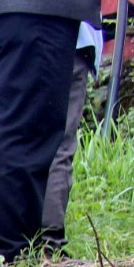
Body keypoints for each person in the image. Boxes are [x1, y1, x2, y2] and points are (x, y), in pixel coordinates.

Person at [0, 0, 101, 267]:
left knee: (0, 133)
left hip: (9, 11)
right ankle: (13, 262)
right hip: (37, 7)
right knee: (25, 135)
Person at [38, 21, 103, 251]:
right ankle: (50, 240)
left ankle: (19, 239)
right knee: (60, 145)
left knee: (22, 140)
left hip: (30, 40)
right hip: (74, 42)